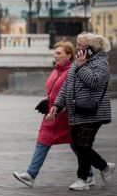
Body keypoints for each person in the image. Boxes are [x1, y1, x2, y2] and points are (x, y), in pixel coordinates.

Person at [13, 41, 96, 187]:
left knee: (76, 145)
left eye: (59, 53)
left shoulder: (72, 71)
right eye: (55, 53)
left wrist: (59, 108)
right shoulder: (56, 70)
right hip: (51, 113)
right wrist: (47, 101)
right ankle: (30, 175)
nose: (55, 55)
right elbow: (52, 90)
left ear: (68, 55)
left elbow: (71, 93)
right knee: (44, 140)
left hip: (65, 116)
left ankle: (97, 169)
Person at [49, 32, 114, 191]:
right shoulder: (77, 62)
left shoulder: (101, 63)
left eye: (81, 46)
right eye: (77, 45)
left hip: (93, 111)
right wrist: (57, 105)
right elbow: (66, 86)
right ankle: (104, 167)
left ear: (91, 49)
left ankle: (82, 179)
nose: (77, 48)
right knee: (79, 146)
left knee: (83, 145)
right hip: (77, 110)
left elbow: (95, 82)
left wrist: (81, 66)